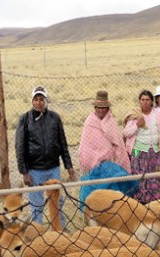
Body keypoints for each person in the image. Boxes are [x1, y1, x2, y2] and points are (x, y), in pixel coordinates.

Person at [15, 86, 75, 227]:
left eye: (41, 99)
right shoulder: (24, 120)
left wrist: (69, 165)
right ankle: (38, 234)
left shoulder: (55, 118)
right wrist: (24, 172)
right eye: (35, 99)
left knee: (57, 201)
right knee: (36, 204)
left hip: (53, 168)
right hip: (34, 170)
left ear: (46, 100)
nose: (38, 102)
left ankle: (61, 230)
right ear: (32, 101)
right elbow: (19, 147)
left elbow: (62, 143)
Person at [78, 90, 136, 205]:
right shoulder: (90, 122)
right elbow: (86, 146)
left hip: (109, 166)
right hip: (94, 168)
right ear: (95, 108)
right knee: (93, 197)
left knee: (112, 197)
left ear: (108, 109)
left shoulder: (112, 123)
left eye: (103, 108)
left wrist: (118, 163)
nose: (101, 110)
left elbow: (119, 146)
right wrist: (93, 160)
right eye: (98, 107)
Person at [123, 89, 160, 204]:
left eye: (147, 100)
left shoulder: (157, 114)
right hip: (138, 152)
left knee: (155, 177)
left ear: (151, 102)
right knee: (140, 177)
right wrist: (137, 125)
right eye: (142, 100)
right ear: (139, 102)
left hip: (155, 152)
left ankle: (154, 202)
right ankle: (139, 202)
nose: (145, 102)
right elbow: (126, 133)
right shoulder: (135, 115)